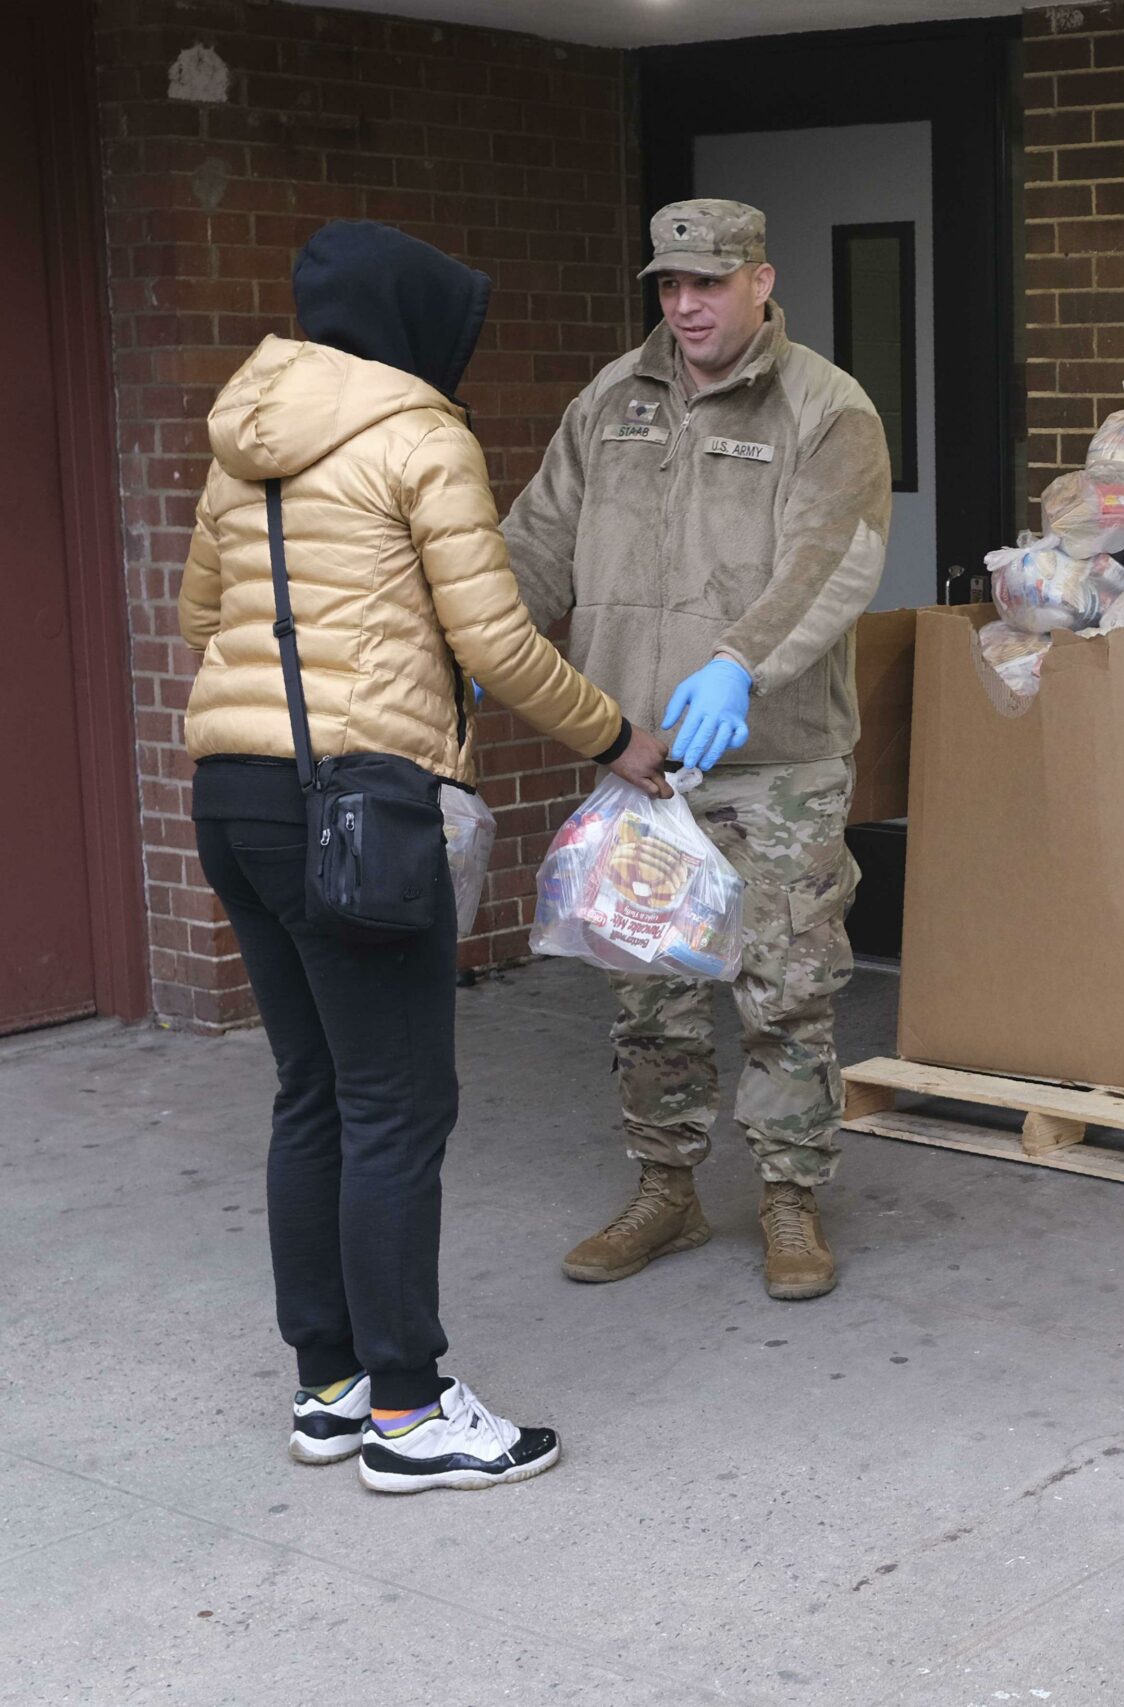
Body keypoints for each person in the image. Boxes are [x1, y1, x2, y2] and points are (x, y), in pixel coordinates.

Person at [181, 220, 671, 1493]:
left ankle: (330, 1386)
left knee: (311, 1093)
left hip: (233, 796)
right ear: (412, 326)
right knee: (395, 1106)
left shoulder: (240, 439)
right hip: (357, 806)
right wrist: (617, 736)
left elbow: (197, 615)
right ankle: (408, 1410)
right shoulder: (419, 435)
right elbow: (498, 645)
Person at [504, 199, 891, 1302]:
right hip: (640, 754)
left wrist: (739, 661)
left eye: (708, 285)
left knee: (786, 989)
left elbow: (835, 558)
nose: (685, 305)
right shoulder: (610, 401)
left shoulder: (826, 407)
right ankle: (665, 1192)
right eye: (670, 286)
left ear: (761, 283)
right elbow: (538, 536)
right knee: (650, 989)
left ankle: (789, 1198)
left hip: (775, 760)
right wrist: (479, 629)